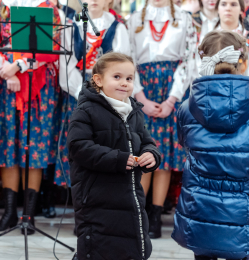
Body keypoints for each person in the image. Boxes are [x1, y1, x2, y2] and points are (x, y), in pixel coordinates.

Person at [68, 52, 161, 260]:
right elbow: (78, 146)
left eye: (129, 78)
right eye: (117, 77)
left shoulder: (134, 111)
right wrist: (117, 159)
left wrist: (151, 155)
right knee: (99, 246)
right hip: (96, 197)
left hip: (129, 196)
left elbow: (147, 141)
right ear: (98, 80)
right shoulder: (86, 110)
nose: (124, 83)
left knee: (131, 245)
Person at [0, 0, 61, 235]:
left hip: (37, 87)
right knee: (8, 149)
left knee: (33, 150)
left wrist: (19, 66)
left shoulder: (47, 8)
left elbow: (50, 49)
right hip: (3, 83)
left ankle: (28, 214)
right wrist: (5, 71)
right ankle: (9, 213)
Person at [172, 30, 249, 260]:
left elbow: (184, 142)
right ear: (242, 63)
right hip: (242, 213)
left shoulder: (186, 107)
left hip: (200, 209)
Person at [128, 0, 197, 238]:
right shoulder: (135, 19)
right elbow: (128, 59)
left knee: (164, 154)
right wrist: (140, 97)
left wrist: (172, 99)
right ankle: (141, 214)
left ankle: (156, 215)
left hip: (172, 87)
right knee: (142, 153)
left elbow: (189, 59)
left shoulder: (184, 18)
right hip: (143, 86)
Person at [56, 0, 131, 187]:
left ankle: (105, 187)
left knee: (106, 141)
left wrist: (105, 93)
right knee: (80, 141)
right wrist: (83, 93)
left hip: (109, 96)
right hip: (78, 92)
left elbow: (123, 67)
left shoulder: (117, 27)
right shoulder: (72, 26)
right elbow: (66, 67)